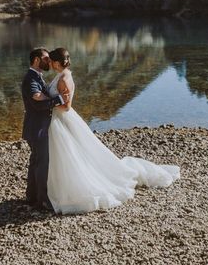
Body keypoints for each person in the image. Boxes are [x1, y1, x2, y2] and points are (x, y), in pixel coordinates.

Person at [44, 47, 180, 214]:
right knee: (69, 152)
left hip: (62, 118)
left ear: (56, 62)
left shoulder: (64, 79)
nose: (48, 64)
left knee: (69, 153)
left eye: (50, 61)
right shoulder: (62, 75)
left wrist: (47, 102)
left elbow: (66, 106)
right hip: (58, 120)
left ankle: (73, 190)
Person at [21, 48, 68, 210]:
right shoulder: (30, 78)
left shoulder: (36, 76)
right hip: (37, 129)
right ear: (36, 60)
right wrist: (58, 99)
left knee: (36, 162)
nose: (49, 61)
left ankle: (32, 196)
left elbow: (39, 96)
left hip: (35, 127)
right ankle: (42, 200)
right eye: (46, 58)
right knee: (42, 164)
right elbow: (36, 97)